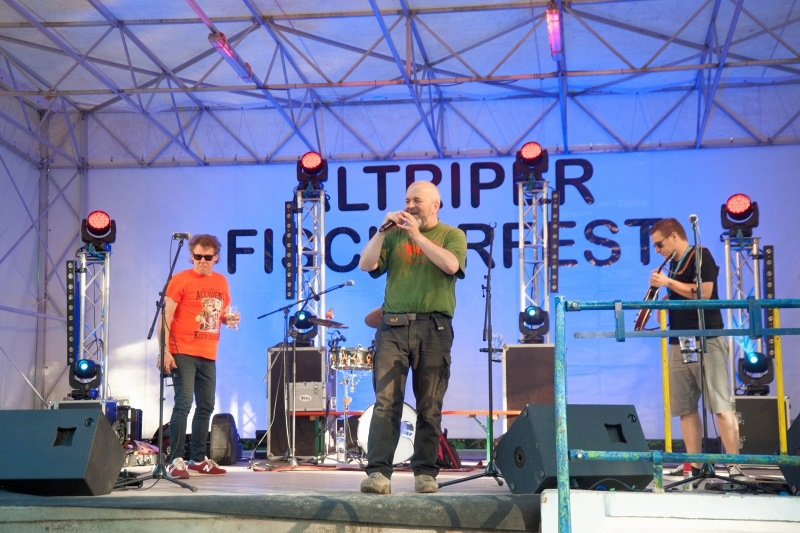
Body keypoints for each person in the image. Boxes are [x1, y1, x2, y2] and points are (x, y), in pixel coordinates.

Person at [358, 181, 467, 494]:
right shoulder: (394, 235)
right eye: (407, 199)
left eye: (417, 200)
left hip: (434, 328)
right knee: (386, 402)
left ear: (436, 205)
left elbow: (451, 265)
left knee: (429, 404)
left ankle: (425, 473)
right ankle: (379, 474)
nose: (409, 205)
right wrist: (382, 232)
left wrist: (417, 236)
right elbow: (366, 265)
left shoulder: (452, 235)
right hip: (393, 327)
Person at [648, 218, 741, 477]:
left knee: (720, 405)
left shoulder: (701, 255)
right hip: (679, 340)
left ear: (674, 236)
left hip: (706, 337)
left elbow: (704, 293)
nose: (658, 250)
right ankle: (694, 463)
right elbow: (682, 292)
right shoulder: (673, 264)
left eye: (659, 244)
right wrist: (665, 300)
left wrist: (668, 283)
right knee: (685, 408)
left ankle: (734, 464)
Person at [157, 234, 241, 479]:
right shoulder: (180, 280)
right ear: (191, 256)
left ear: (216, 258)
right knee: (183, 403)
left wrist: (229, 319)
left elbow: (220, 314)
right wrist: (164, 351)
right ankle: (175, 460)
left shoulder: (222, 282)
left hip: (208, 352)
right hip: (182, 350)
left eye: (207, 257)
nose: (202, 261)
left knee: (206, 405)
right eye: (197, 256)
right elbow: (166, 317)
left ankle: (197, 458)